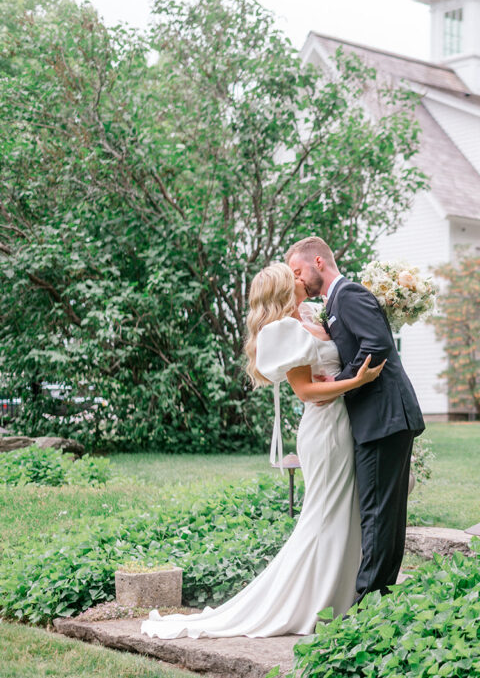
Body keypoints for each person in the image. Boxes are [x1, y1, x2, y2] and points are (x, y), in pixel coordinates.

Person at [140, 262, 383, 639]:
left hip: (344, 422)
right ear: (285, 289)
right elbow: (305, 392)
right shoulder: (282, 331)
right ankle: (312, 601)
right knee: (325, 513)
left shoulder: (308, 316)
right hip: (326, 430)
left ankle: (340, 591)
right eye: (294, 277)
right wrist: (355, 380)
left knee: (344, 510)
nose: (301, 279)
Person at [286, 236, 424, 603]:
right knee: (384, 514)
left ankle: (367, 606)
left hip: (384, 416)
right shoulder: (333, 304)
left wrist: (339, 381)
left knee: (378, 515)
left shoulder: (347, 294)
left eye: (298, 271)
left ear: (318, 262)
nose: (297, 280)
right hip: (380, 418)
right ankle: (381, 599)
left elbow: (377, 345)